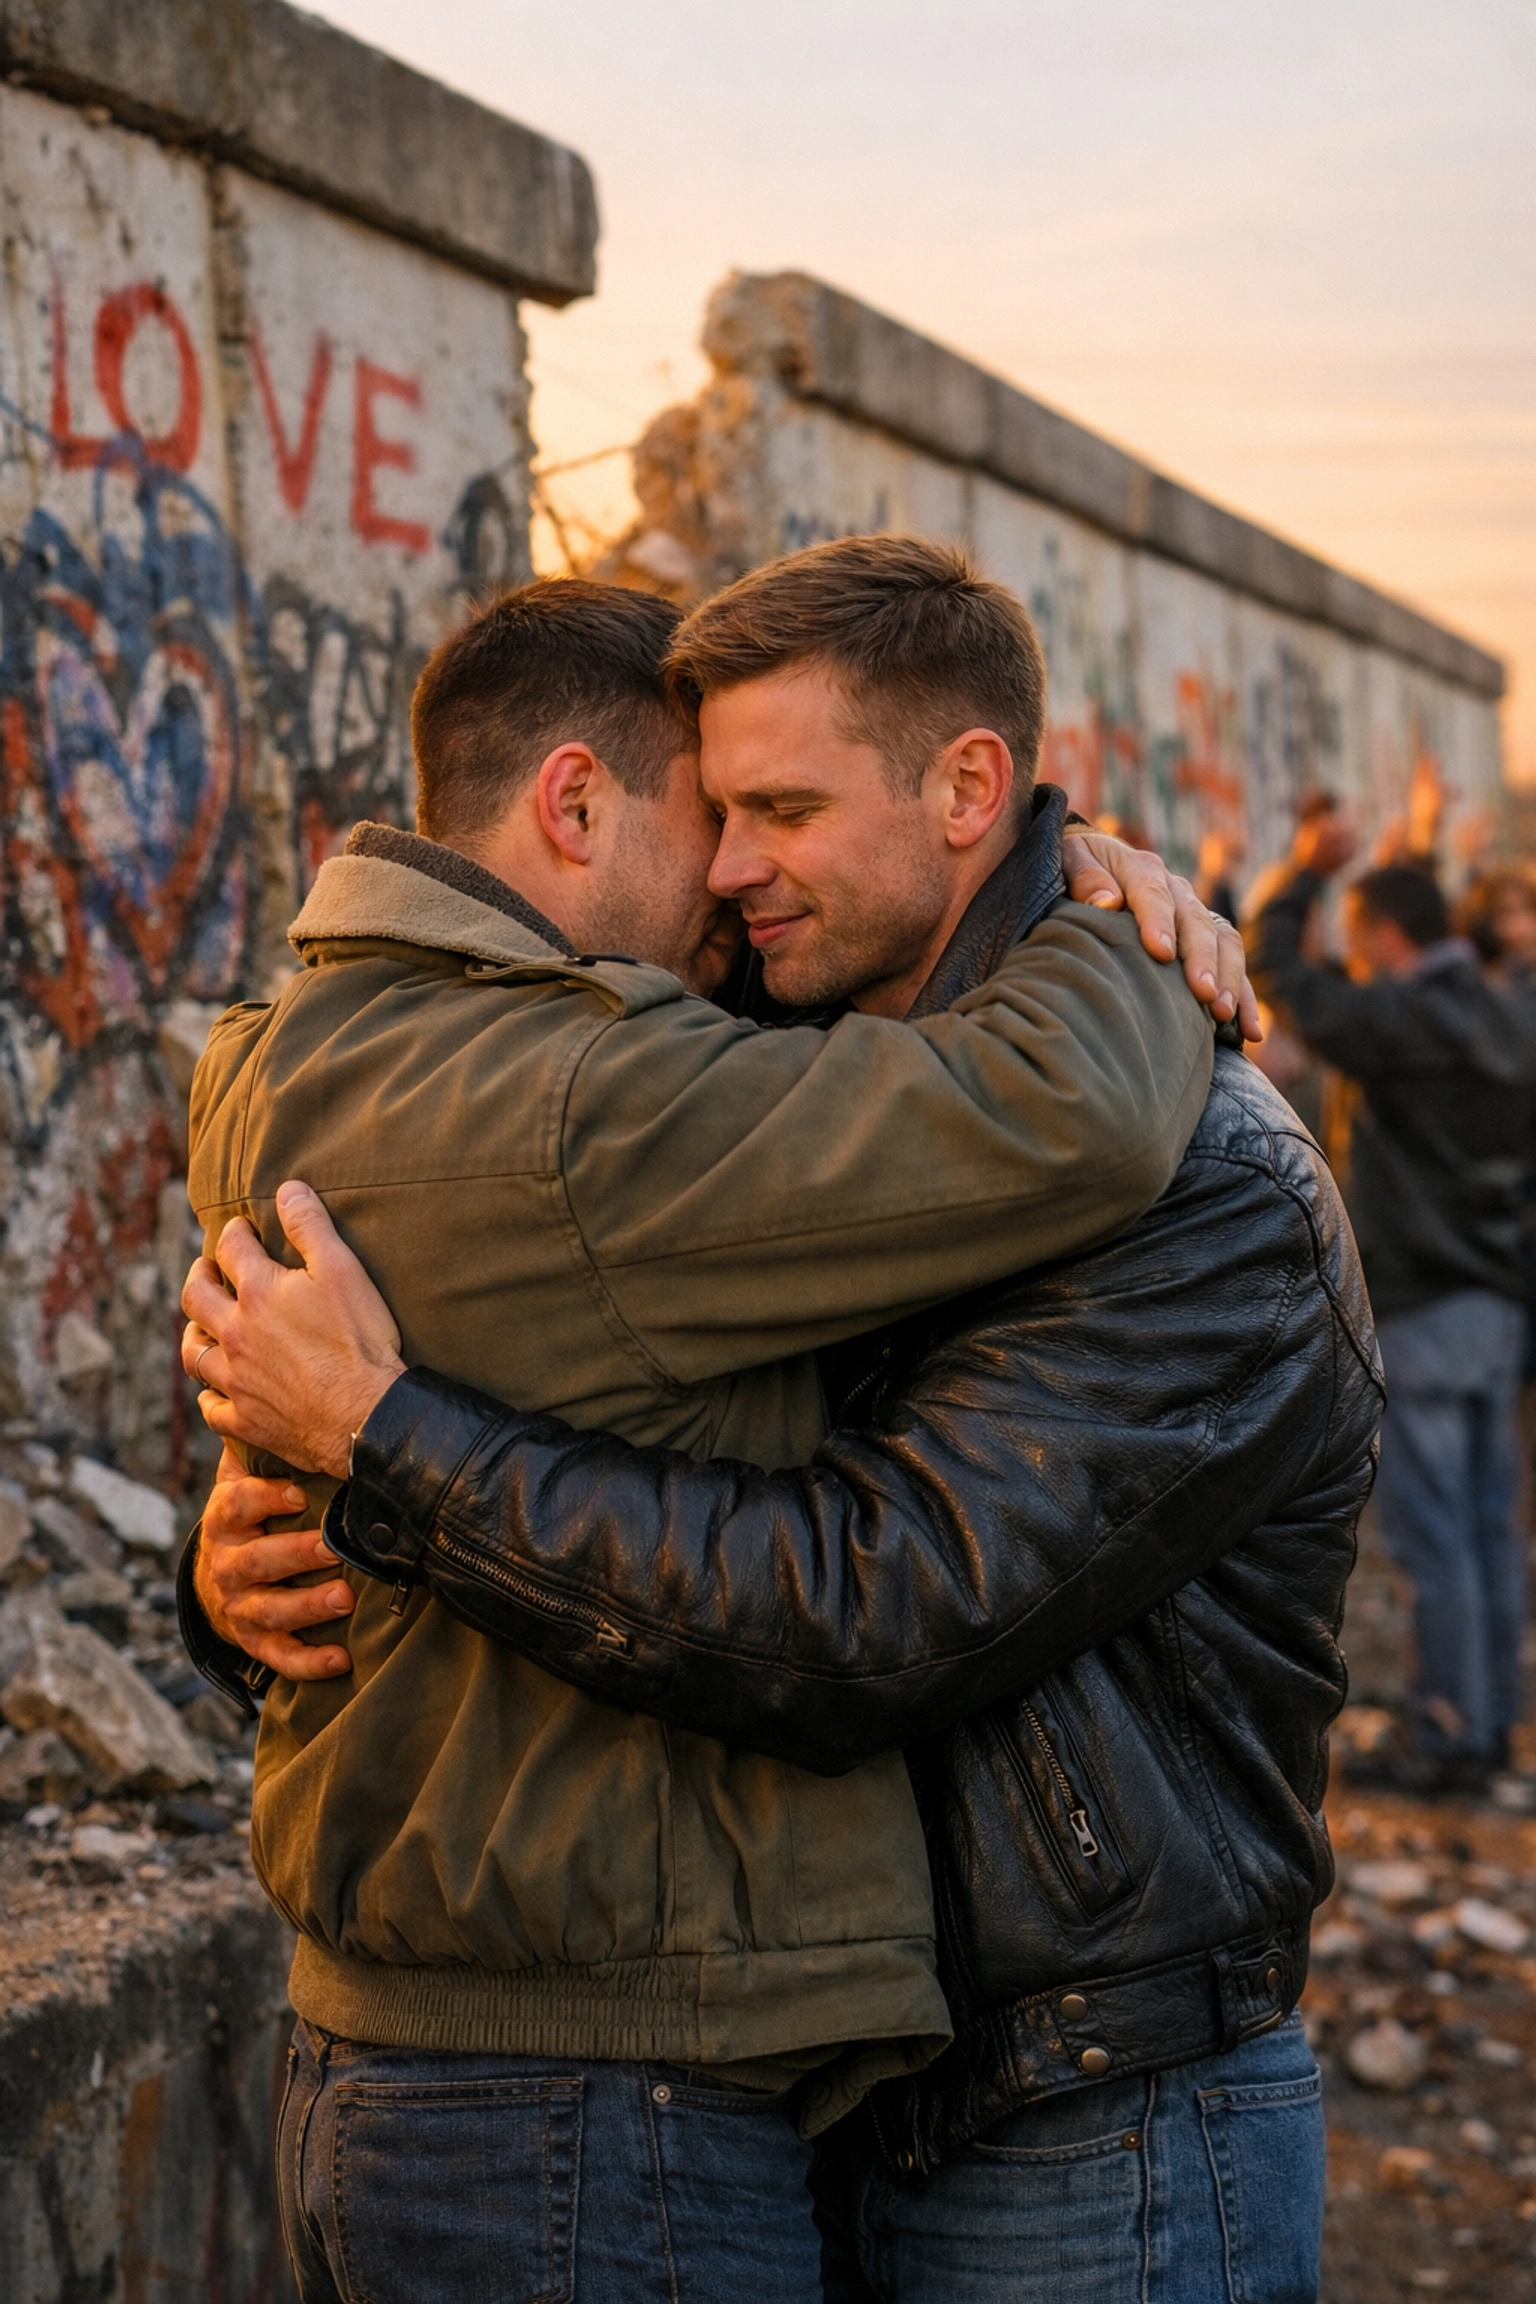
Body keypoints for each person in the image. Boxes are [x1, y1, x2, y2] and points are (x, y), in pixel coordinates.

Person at [182, 549, 1380, 2302]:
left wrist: (388, 1444)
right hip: (821, 2091)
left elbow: (868, 1609)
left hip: (1091, 2114)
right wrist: (249, 1549)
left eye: (785, 808)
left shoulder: (1210, 1190)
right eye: (720, 810)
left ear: (970, 790)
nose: (736, 869)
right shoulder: (730, 1067)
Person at [1251, 821, 1536, 1794]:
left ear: (1387, 934)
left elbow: (1276, 968)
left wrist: (1302, 877)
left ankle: (1447, 1734)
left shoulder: (1411, 1021)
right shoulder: (1511, 1014)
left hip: (1421, 1308)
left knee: (1432, 1534)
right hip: (1499, 1311)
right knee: (1493, 1528)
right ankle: (1490, 1722)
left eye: (1366, 941)